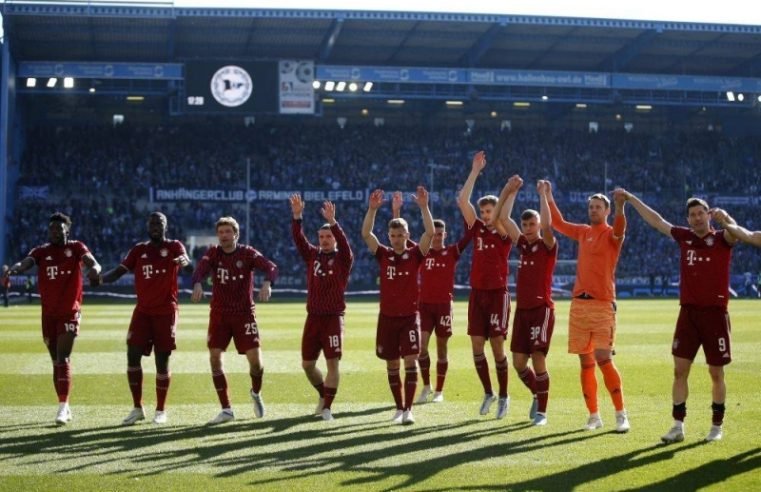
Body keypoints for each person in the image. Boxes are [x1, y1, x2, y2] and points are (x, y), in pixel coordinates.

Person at [625, 193, 737, 443]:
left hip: (715, 315)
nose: (697, 218)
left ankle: (716, 426)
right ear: (688, 219)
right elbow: (656, 221)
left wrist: (726, 217)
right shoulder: (684, 237)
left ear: (709, 215)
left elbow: (737, 232)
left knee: (716, 373)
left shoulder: (722, 238)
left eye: (701, 213)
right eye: (693, 214)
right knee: (679, 371)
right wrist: (632, 199)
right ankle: (677, 426)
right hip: (688, 314)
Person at [546, 184, 630, 433]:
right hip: (579, 304)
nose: (593, 210)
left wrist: (620, 206)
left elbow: (621, 227)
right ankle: (594, 416)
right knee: (585, 363)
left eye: (597, 207)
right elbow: (558, 223)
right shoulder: (583, 232)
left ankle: (620, 413)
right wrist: (548, 195)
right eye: (591, 207)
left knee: (604, 359)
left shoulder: (612, 233)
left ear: (605, 211)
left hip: (603, 304)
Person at [4, 212, 101, 425]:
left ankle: (62, 407)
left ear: (67, 230)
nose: (55, 232)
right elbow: (26, 262)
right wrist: (14, 269)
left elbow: (93, 263)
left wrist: (95, 270)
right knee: (56, 362)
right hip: (48, 314)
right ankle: (64, 404)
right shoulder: (41, 251)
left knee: (63, 357)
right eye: (52, 229)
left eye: (59, 229)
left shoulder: (76, 248)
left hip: (69, 311)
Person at [100, 212, 192, 425]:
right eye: (151, 224)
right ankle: (137, 408)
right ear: (147, 227)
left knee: (162, 360)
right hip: (142, 311)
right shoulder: (139, 250)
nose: (155, 227)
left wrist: (184, 262)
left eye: (159, 223)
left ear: (165, 226)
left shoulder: (174, 246)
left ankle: (160, 410)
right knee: (132, 355)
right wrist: (100, 279)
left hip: (165, 312)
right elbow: (119, 271)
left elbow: (187, 262)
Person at [191, 216, 278, 424]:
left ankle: (256, 393)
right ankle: (226, 409)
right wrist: (197, 283)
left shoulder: (247, 253)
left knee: (255, 363)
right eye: (220, 232)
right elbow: (199, 271)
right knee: (214, 358)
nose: (223, 236)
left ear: (235, 234)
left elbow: (271, 267)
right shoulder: (213, 253)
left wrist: (267, 283)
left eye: (228, 232)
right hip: (220, 314)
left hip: (244, 314)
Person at [362, 187, 434, 424]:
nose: (396, 239)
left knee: (410, 360)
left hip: (409, 317)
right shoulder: (383, 254)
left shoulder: (416, 254)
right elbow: (366, 234)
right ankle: (399, 408)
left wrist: (424, 207)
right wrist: (372, 209)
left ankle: (409, 409)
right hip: (387, 318)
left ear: (407, 234)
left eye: (400, 235)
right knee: (392, 363)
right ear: (389, 236)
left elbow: (430, 233)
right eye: (393, 236)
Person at [391, 192, 471, 404]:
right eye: (434, 233)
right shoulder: (422, 251)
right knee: (421, 348)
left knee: (442, 349)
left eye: (440, 234)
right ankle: (426, 386)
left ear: (445, 234)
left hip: (444, 306)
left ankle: (439, 391)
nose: (436, 236)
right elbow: (402, 239)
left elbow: (469, 235)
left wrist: (464, 209)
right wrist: (396, 211)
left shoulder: (452, 252)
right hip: (424, 306)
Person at [495, 177, 558, 426]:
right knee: (519, 363)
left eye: (533, 224)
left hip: (541, 309)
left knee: (538, 358)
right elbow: (503, 219)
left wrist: (543, 194)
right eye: (526, 224)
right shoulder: (522, 245)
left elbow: (550, 227)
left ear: (539, 224)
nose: (529, 227)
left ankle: (542, 413)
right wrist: (510, 191)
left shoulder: (548, 245)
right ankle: (536, 392)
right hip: (522, 311)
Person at [457, 151, 513, 419]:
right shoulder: (477, 228)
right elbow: (462, 200)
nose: (486, 215)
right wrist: (474, 171)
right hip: (477, 293)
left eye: (489, 211)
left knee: (497, 347)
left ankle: (504, 396)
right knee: (477, 347)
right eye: (483, 211)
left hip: (497, 294)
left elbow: (504, 216)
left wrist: (507, 194)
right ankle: (489, 392)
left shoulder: (503, 232)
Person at [289, 195, 354, 421]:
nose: (325, 240)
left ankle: (327, 408)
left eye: (328, 236)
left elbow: (345, 244)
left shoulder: (344, 258)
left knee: (332, 364)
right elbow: (298, 239)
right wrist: (297, 216)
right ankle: (323, 395)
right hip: (313, 318)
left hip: (333, 318)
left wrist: (333, 223)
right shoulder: (312, 256)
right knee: (307, 365)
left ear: (334, 239)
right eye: (322, 236)